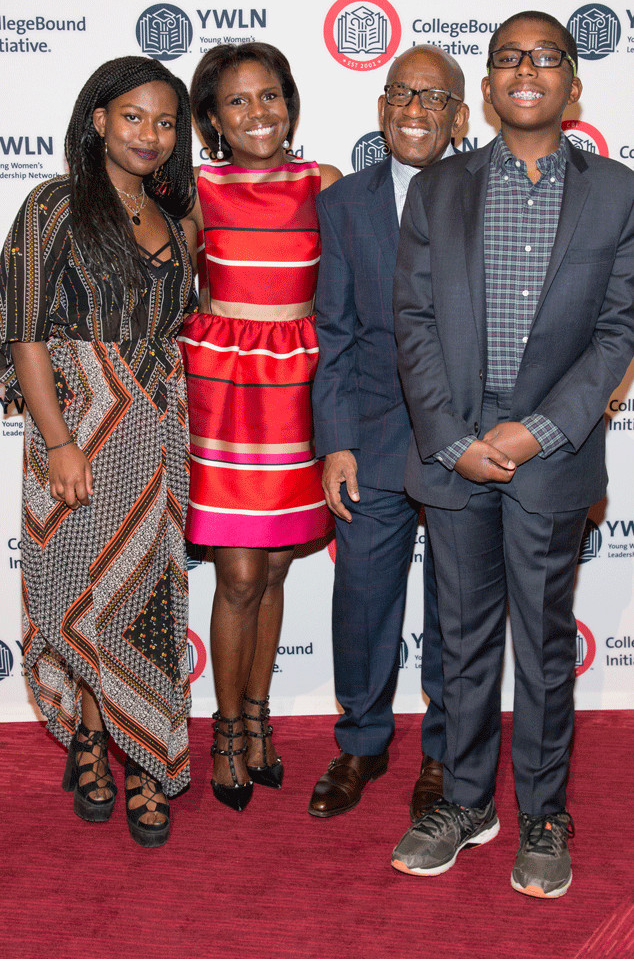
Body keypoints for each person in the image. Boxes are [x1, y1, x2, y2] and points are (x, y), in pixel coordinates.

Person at [392, 12, 634, 897]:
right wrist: (453, 439)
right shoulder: (438, 189)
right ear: (486, 88)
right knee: (461, 643)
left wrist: (540, 430)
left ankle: (542, 813)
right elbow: (410, 322)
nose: (525, 70)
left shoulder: (617, 192)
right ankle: (465, 802)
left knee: (539, 641)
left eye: (547, 58)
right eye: (507, 58)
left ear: (574, 85)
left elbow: (618, 330)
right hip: (455, 446)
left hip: (553, 448)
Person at [0, 56, 198, 848]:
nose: (150, 135)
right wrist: (56, 441)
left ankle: (144, 755)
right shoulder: (52, 206)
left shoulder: (175, 216)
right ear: (97, 120)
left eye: (164, 122)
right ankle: (91, 731)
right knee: (81, 591)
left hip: (161, 426)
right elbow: (24, 332)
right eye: (133, 117)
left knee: (150, 593)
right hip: (81, 425)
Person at [179, 43, 341, 811]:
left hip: (302, 385)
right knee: (240, 572)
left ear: (290, 102)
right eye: (237, 102)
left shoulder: (325, 183)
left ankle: (259, 717)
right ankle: (227, 731)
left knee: (273, 570)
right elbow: (169, 290)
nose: (258, 114)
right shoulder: (195, 191)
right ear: (211, 117)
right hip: (227, 388)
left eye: (269, 96)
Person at [308, 45, 469, 819]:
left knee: (454, 601)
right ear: (381, 107)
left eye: (433, 98)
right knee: (363, 597)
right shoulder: (343, 205)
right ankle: (362, 742)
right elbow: (332, 333)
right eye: (401, 94)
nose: (414, 110)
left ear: (459, 117)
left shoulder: (487, 195)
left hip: (464, 441)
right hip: (369, 438)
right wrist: (335, 440)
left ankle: (442, 755)